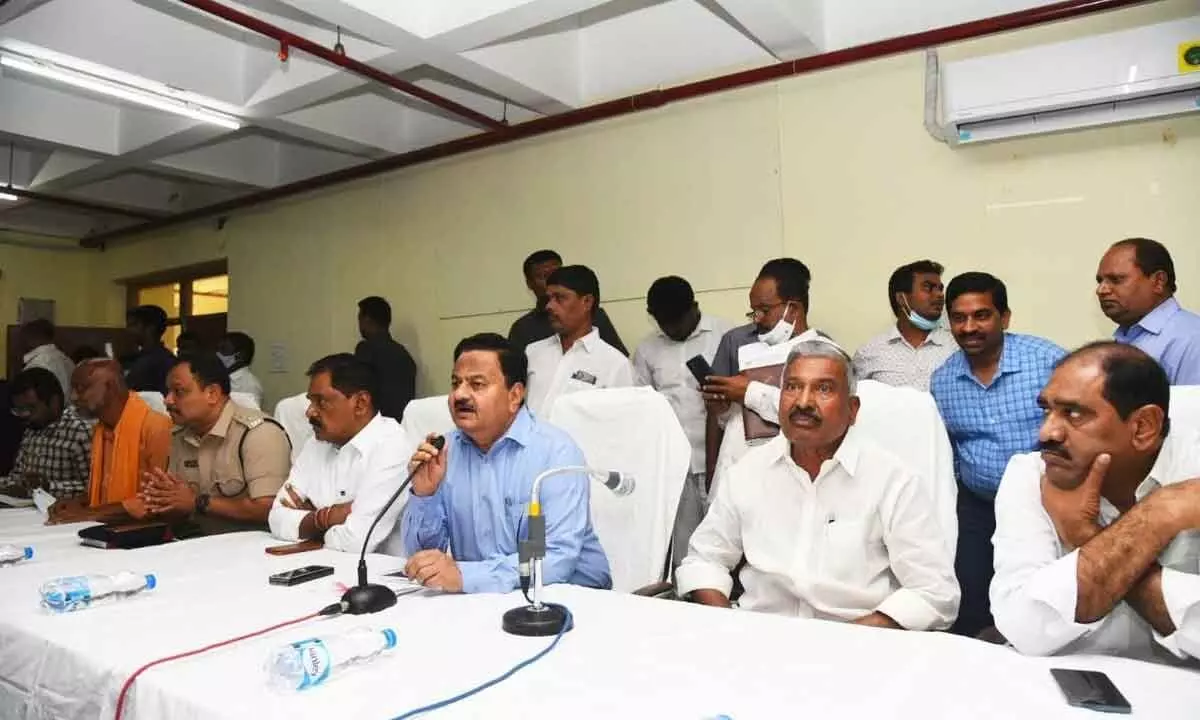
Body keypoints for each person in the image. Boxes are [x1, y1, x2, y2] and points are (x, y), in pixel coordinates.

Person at [676, 340, 959, 629]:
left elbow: (934, 593)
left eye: (823, 389)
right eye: (793, 387)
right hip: (759, 639)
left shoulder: (893, 481)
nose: (803, 402)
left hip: (858, 644)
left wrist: (846, 642)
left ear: (852, 409)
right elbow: (704, 560)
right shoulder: (748, 472)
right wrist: (728, 627)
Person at [992, 342, 1200, 662]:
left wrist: (1086, 538)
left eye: (1074, 414)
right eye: (1046, 410)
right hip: (1057, 685)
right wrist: (1156, 516)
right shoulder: (1032, 474)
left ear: (1143, 427)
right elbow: (1025, 627)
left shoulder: (1192, 476)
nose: (1047, 432)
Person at [401, 333, 611, 593]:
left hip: (571, 596)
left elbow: (557, 559)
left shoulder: (555, 452)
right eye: (455, 383)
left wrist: (466, 576)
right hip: (486, 600)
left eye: (477, 385)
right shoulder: (444, 452)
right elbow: (423, 561)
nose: (459, 395)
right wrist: (425, 495)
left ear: (515, 395)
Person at [929, 272, 1065, 638]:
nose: (969, 327)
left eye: (982, 315)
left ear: (1004, 317)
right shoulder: (942, 381)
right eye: (959, 318)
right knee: (970, 596)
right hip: (979, 505)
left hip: (1048, 502)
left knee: (1044, 597)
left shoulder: (1048, 361)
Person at [701, 258, 824, 489]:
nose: (757, 319)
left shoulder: (820, 353)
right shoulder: (748, 350)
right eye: (753, 311)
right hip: (733, 473)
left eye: (764, 310)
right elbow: (741, 423)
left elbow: (816, 417)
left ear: (793, 308)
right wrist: (723, 411)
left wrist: (749, 391)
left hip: (780, 483)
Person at [632, 276, 732, 559]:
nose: (673, 329)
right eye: (665, 323)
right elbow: (642, 405)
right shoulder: (647, 349)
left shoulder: (726, 335)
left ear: (695, 308)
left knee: (724, 542)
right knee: (684, 550)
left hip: (722, 459)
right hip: (675, 466)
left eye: (678, 321)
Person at [268, 354, 408, 553]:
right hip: (320, 564)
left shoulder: (392, 446)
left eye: (321, 402)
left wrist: (308, 523)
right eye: (310, 402)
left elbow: (355, 541)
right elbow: (276, 518)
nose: (310, 412)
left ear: (360, 403)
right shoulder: (316, 443)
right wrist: (326, 518)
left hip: (376, 575)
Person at [140, 354, 291, 535]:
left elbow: (269, 508)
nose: (168, 400)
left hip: (249, 549)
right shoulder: (179, 435)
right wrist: (160, 501)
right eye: (167, 392)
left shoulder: (259, 433)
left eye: (178, 392)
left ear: (212, 393)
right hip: (191, 544)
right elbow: (177, 502)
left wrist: (196, 502)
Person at [58, 359, 171, 522]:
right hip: (104, 528)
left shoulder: (156, 428)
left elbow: (157, 500)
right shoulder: (100, 429)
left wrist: (91, 513)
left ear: (110, 388)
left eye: (81, 389)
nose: (74, 397)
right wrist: (79, 503)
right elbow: (105, 492)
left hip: (142, 537)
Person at [524, 265, 633, 417]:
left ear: (587, 302)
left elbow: (624, 424)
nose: (549, 306)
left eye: (560, 298)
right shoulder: (533, 352)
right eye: (549, 299)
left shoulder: (615, 365)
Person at [1096, 238, 1200, 385]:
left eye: (1116, 279)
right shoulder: (1125, 338)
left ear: (1158, 282)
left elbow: (1193, 407)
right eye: (1100, 281)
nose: (1101, 290)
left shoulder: (1192, 339)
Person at [853, 260, 956, 391]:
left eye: (940, 288)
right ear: (902, 298)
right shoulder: (869, 353)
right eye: (928, 287)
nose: (939, 295)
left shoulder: (956, 346)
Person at [508, 250, 628, 355]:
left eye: (557, 273)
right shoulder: (522, 328)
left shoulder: (593, 315)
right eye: (544, 276)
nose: (553, 281)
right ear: (529, 283)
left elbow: (618, 361)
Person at [6, 368, 91, 499]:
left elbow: (93, 488)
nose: (24, 415)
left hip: (67, 514)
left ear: (54, 402)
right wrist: (12, 485)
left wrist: (48, 487)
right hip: (26, 512)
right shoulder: (31, 430)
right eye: (19, 410)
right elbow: (16, 477)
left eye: (31, 408)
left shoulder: (80, 432)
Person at [355, 296, 417, 421]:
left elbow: (356, 389)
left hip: (374, 425)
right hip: (400, 427)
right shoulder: (404, 355)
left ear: (366, 320)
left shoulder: (366, 349)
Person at [123, 305, 176, 393]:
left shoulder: (163, 361)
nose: (128, 330)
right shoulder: (137, 358)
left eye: (133, 325)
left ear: (150, 328)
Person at [19, 319, 75, 394]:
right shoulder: (68, 361)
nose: (22, 342)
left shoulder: (36, 366)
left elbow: (30, 401)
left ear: (32, 338)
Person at [218, 331, 264, 408]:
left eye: (224, 349)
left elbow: (250, 416)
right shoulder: (217, 376)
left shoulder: (250, 385)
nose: (218, 353)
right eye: (218, 349)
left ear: (239, 355)